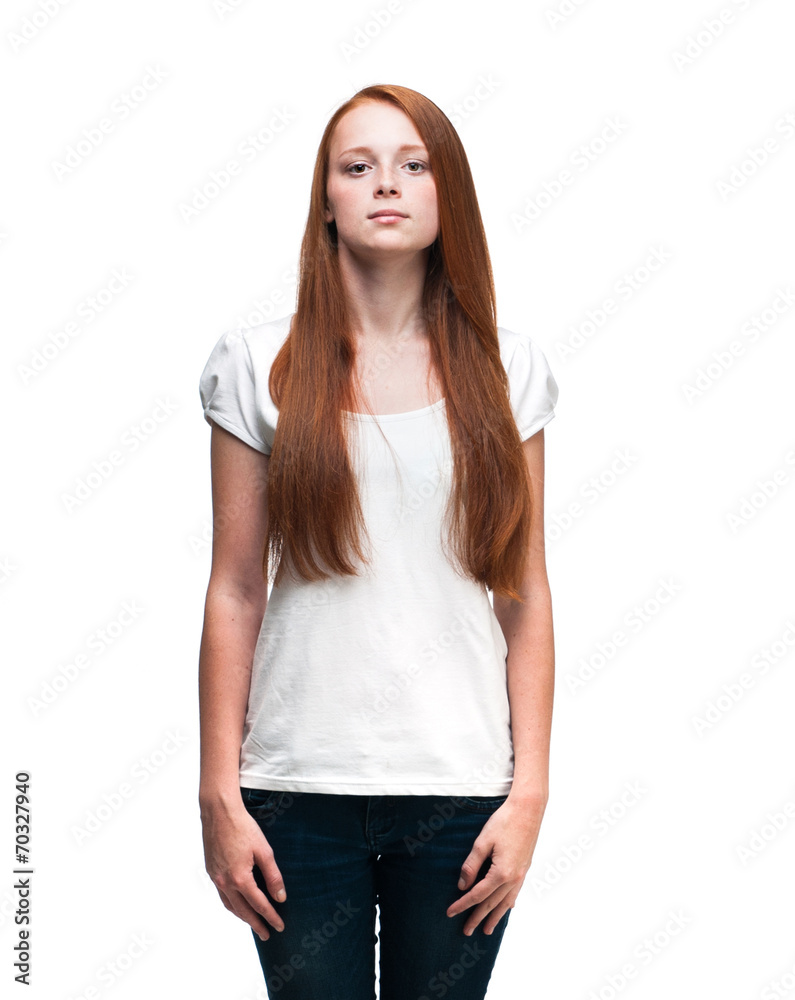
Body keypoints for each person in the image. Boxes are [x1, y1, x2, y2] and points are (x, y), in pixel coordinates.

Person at [197, 83, 559, 1000]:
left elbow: (523, 594)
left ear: (449, 196)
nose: (384, 185)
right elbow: (235, 589)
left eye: (412, 164)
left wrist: (529, 795)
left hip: (459, 793)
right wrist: (218, 794)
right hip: (295, 791)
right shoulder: (257, 364)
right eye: (356, 167)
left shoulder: (507, 369)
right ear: (325, 199)